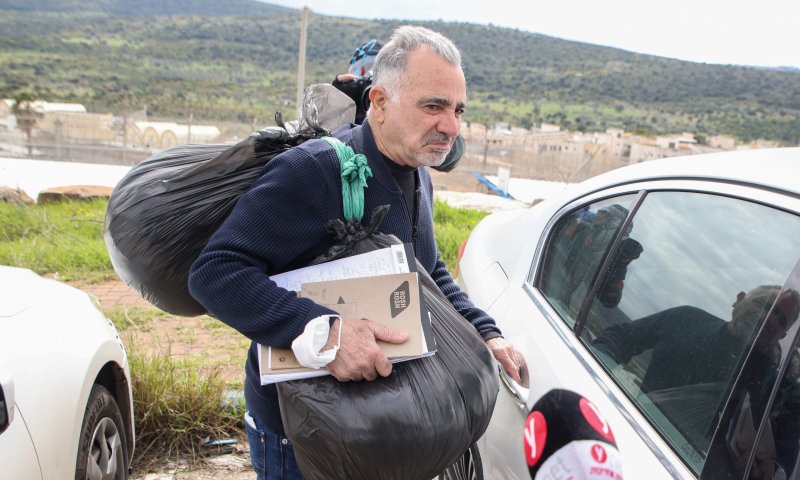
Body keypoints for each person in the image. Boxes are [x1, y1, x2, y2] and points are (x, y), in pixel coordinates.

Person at [188, 25, 522, 480]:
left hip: (375, 427)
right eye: (434, 106)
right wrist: (328, 334)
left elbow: (427, 271)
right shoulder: (316, 170)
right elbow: (215, 273)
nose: (451, 126)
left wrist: (486, 331)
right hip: (300, 433)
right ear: (380, 103)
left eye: (458, 109)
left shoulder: (416, 170)